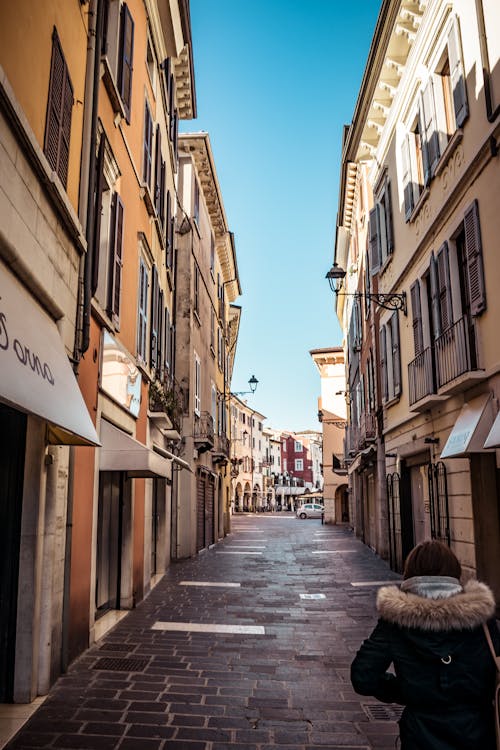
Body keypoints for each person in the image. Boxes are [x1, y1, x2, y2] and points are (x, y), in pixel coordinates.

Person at [350, 540, 499, 750]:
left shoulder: (396, 621)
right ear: (454, 571)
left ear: (410, 572)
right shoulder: (482, 619)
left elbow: (363, 676)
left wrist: (405, 690)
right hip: (476, 733)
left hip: (420, 734)